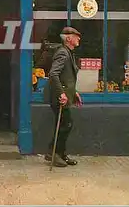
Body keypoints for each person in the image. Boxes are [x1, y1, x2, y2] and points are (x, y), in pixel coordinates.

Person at [45, 27, 83, 168]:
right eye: (76, 36)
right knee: (65, 124)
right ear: (68, 38)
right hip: (59, 97)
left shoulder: (68, 53)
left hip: (65, 95)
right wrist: (61, 93)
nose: (79, 38)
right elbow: (54, 74)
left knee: (63, 125)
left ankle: (58, 153)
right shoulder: (63, 53)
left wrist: (74, 92)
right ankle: (55, 154)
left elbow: (67, 77)